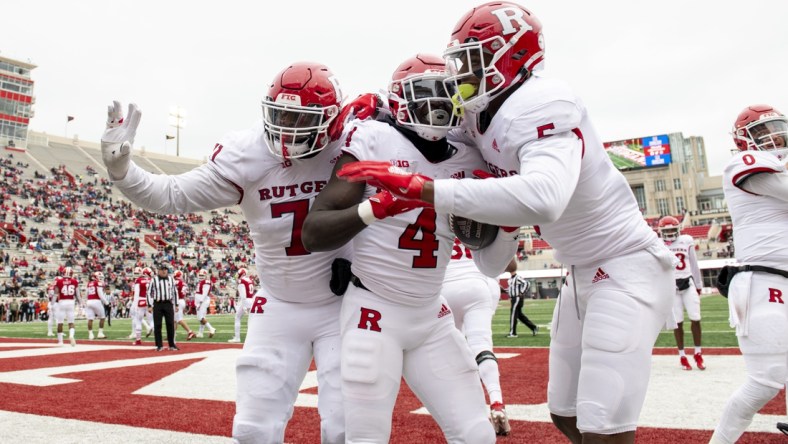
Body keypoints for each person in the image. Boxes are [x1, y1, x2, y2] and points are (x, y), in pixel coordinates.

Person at [338, 4, 675, 442]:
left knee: (602, 426)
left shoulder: (541, 101)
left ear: (512, 55)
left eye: (471, 59)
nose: (461, 73)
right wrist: (384, 110)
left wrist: (424, 189)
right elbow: (425, 128)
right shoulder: (478, 115)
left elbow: (544, 199)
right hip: (578, 270)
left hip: (625, 261)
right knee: (566, 417)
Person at [100, 61, 353, 443]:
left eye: (299, 118)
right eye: (279, 113)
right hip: (280, 304)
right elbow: (170, 195)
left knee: (346, 427)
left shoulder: (354, 139)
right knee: (252, 429)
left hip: (343, 305)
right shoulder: (248, 151)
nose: (285, 127)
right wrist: (123, 171)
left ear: (331, 119)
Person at [302, 54, 515, 443]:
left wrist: (508, 223)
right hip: (374, 310)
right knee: (366, 437)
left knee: (477, 434)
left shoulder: (469, 155)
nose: (437, 108)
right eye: (425, 96)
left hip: (432, 313)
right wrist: (374, 208)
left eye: (445, 96)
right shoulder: (374, 139)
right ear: (399, 99)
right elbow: (313, 233)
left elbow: (495, 265)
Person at [709, 104, 788, 444]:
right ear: (744, 141)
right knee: (765, 381)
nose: (773, 135)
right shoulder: (740, 164)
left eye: (776, 127)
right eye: (761, 131)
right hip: (763, 279)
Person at [443, 236, 512, 435]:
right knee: (481, 345)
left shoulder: (436, 212)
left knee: (452, 352)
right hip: (477, 284)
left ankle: (467, 409)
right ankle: (497, 401)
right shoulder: (477, 210)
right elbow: (509, 262)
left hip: (445, 285)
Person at [657, 216, 704, 371]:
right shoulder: (658, 244)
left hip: (687, 281)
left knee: (696, 318)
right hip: (672, 286)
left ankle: (698, 352)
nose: (670, 232)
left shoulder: (686, 240)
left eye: (672, 229)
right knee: (678, 322)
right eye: (667, 230)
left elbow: (694, 263)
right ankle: (682, 355)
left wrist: (698, 285)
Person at [147, 263, 178, 351]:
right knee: (158, 325)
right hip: (158, 304)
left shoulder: (171, 279)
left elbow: (175, 292)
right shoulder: (154, 280)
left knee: (170, 324)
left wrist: (176, 304)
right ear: (158, 271)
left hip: (168, 303)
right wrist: (149, 305)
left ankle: (172, 344)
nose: (164, 271)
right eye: (162, 269)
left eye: (165, 269)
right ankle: (159, 345)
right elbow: (149, 292)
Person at [505, 259, 538, 338]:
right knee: (519, 315)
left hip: (517, 298)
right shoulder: (511, 279)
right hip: (514, 298)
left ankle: (513, 333)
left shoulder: (517, 277)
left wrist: (522, 293)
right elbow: (511, 290)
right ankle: (533, 327)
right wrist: (503, 290)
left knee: (513, 315)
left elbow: (527, 283)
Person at [54, 267, 81, 347]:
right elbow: (78, 295)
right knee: (71, 322)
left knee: (60, 322)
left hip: (62, 302)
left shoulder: (59, 281)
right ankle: (71, 336)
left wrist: (52, 303)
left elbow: (55, 294)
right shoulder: (75, 281)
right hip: (71, 302)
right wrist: (80, 303)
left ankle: (60, 341)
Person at [229, 267, 255, 343]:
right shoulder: (250, 280)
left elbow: (243, 295)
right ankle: (251, 338)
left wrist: (243, 306)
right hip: (251, 300)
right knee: (251, 320)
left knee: (237, 317)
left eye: (238, 273)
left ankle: (237, 338)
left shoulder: (242, 281)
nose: (237, 275)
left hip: (245, 301)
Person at [172, 269, 196, 340]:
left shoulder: (176, 282)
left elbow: (173, 292)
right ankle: (172, 334)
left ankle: (190, 331)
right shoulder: (183, 283)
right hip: (182, 300)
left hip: (177, 301)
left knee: (179, 320)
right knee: (174, 320)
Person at [131, 267, 153, 345]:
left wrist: (135, 304)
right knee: (151, 320)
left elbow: (136, 293)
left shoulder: (139, 280)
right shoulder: (152, 280)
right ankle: (154, 333)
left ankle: (138, 340)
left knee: (138, 320)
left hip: (140, 301)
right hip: (150, 301)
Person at [193, 268, 217, 338]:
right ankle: (200, 333)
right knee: (202, 317)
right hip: (201, 300)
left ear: (206, 275)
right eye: (200, 275)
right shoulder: (202, 282)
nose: (200, 276)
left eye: (202, 275)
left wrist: (200, 302)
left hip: (202, 300)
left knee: (200, 317)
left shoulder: (206, 282)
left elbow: (205, 293)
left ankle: (211, 328)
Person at [85, 271, 109, 340]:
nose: (101, 279)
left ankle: (90, 335)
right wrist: (106, 302)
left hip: (89, 301)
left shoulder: (89, 283)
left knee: (90, 319)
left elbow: (87, 294)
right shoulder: (98, 283)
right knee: (102, 317)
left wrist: (87, 301)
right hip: (96, 301)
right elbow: (100, 295)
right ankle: (100, 333)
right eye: (100, 277)